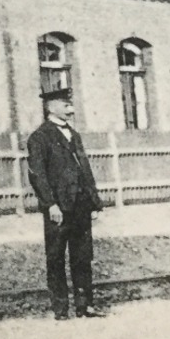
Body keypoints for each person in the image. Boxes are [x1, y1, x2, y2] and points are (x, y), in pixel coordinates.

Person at [26, 87, 107, 319]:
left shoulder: (74, 135)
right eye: (65, 105)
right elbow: (37, 174)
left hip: (81, 206)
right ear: (51, 107)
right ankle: (61, 309)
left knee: (83, 257)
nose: (70, 109)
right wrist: (50, 204)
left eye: (70, 105)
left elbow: (85, 171)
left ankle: (85, 306)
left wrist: (94, 203)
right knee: (56, 257)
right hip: (58, 209)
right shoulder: (40, 137)